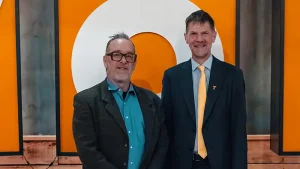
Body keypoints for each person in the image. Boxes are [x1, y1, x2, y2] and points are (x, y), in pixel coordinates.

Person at [161, 10, 247, 169]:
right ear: (186, 37)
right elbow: (166, 130)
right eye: (193, 33)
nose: (199, 39)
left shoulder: (232, 76)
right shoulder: (172, 77)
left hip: (220, 164)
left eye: (204, 33)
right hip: (182, 164)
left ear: (213, 36)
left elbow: (238, 130)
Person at [72, 32, 168, 169]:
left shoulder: (152, 101)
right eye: (116, 55)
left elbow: (161, 145)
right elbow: (88, 152)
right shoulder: (86, 102)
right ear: (106, 61)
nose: (123, 61)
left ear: (134, 63)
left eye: (129, 56)